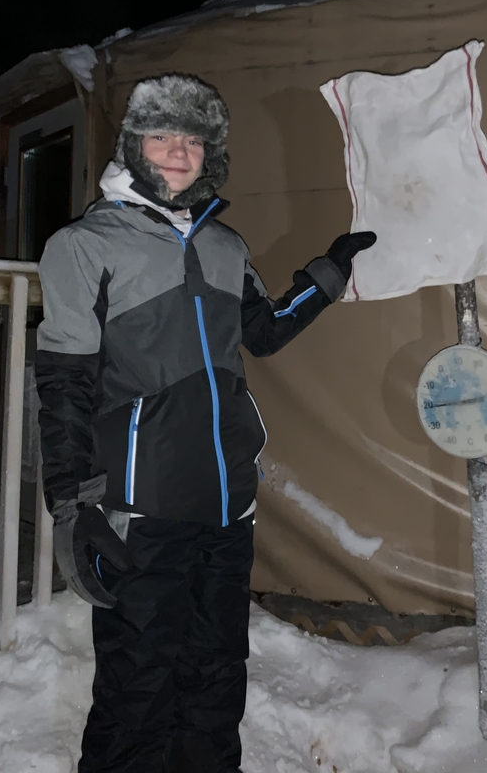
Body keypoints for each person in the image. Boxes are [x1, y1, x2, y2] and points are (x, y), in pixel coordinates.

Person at [35, 73, 376, 773]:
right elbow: (64, 384)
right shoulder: (83, 246)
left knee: (217, 679)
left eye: (193, 141)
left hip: (226, 505)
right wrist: (74, 504)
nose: (178, 152)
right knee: (136, 688)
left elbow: (265, 331)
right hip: (140, 506)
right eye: (162, 136)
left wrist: (326, 277)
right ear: (134, 146)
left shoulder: (225, 246)